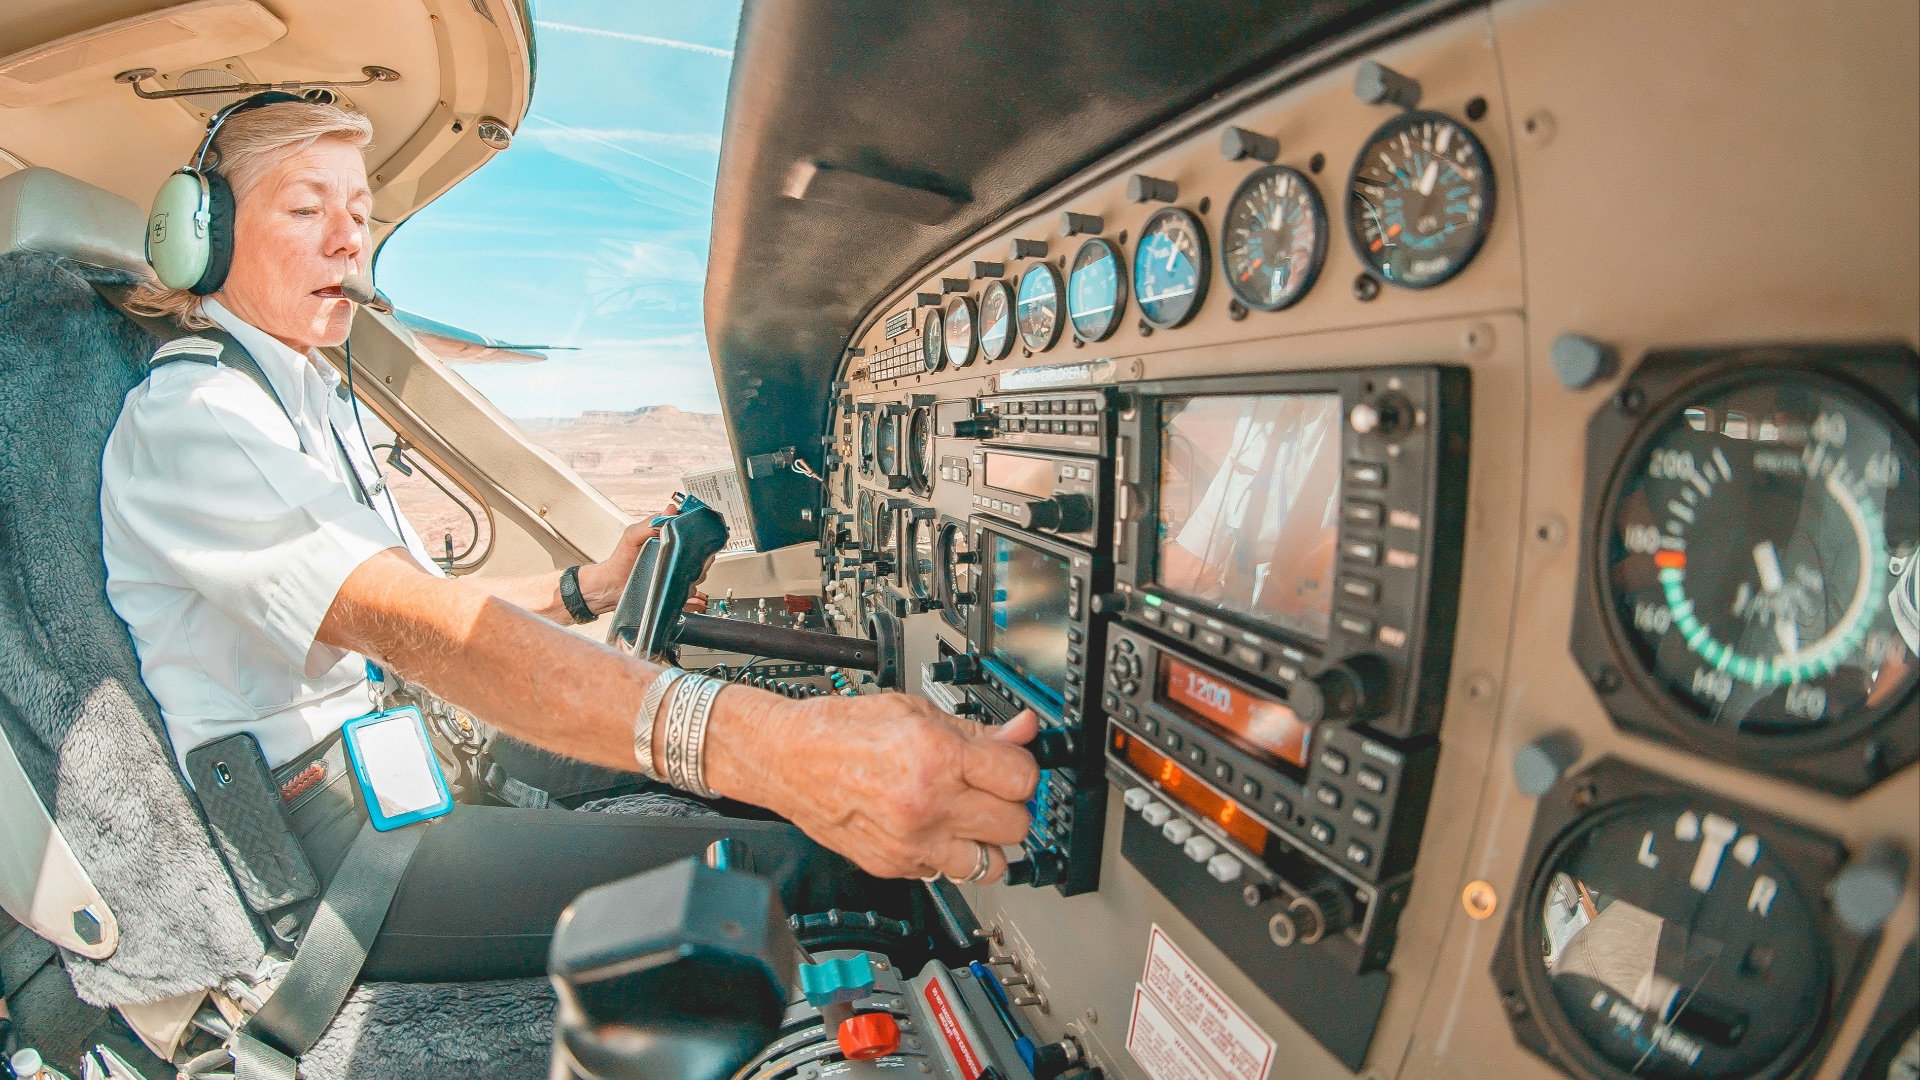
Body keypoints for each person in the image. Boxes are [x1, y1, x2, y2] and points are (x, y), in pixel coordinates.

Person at [99, 97, 1038, 982]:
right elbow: (416, 628)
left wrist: (588, 587)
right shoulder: (202, 417)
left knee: (744, 780)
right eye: (307, 209)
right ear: (204, 237)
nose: (350, 239)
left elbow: (432, 612)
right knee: (798, 869)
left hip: (398, 760)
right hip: (327, 842)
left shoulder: (300, 393)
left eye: (360, 210)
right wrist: (781, 748)